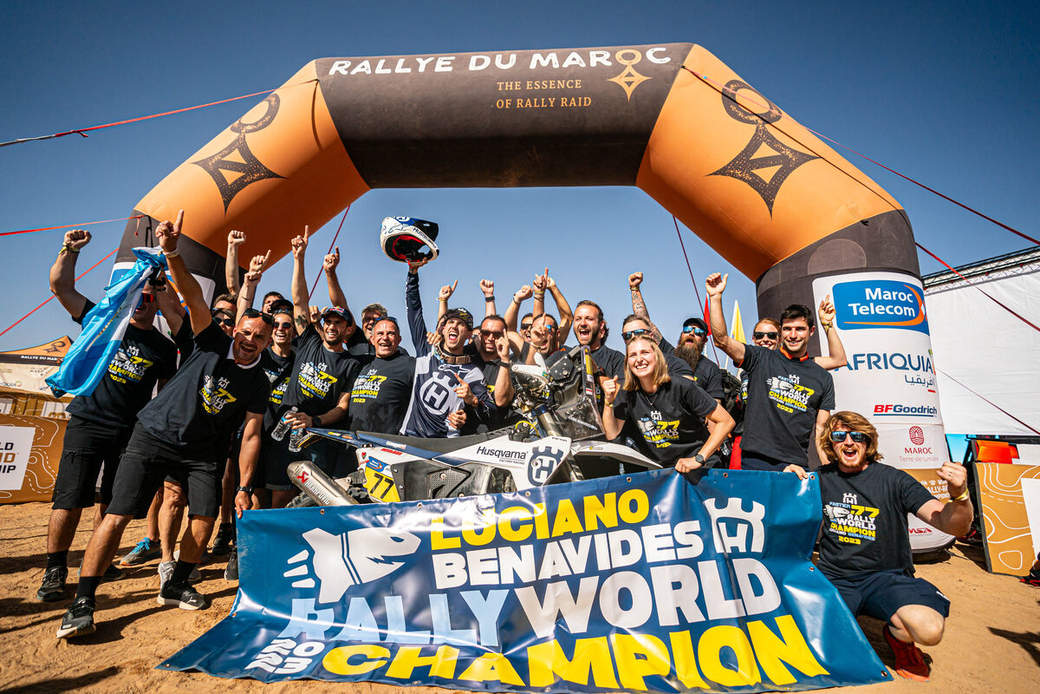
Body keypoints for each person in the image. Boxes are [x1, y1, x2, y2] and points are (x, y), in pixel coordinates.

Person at [56, 210, 272, 639]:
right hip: (153, 434)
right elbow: (190, 294)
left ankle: (176, 583)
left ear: (267, 343)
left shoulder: (259, 382)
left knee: (204, 519)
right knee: (116, 516)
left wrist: (244, 486)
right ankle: (83, 602)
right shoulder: (210, 338)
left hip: (202, 452)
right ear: (236, 331)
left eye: (258, 337)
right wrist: (172, 253)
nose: (249, 341)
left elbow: (250, 434)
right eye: (245, 333)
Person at [36, 229, 179, 602]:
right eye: (137, 295)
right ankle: (55, 569)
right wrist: (69, 251)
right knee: (69, 500)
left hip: (128, 432)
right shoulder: (102, 321)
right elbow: (60, 287)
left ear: (156, 302)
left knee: (112, 504)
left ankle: (100, 560)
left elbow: (164, 394)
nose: (142, 302)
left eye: (149, 297)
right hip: (87, 421)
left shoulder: (165, 348)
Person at [785, 412, 973, 682]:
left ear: (868, 441)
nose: (849, 442)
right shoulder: (819, 479)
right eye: (839, 436)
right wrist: (787, 482)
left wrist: (960, 495)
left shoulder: (895, 480)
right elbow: (783, 512)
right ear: (831, 443)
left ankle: (899, 638)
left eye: (857, 436)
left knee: (928, 629)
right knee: (798, 635)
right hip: (836, 577)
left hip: (886, 578)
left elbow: (951, 524)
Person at [262, 229, 360, 507]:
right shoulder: (309, 341)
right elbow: (299, 302)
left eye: (338, 323)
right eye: (328, 322)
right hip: (284, 429)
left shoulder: (351, 363)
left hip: (317, 438)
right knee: (278, 495)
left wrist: (314, 421)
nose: (332, 326)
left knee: (312, 499)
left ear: (347, 329)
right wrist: (299, 258)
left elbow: (342, 407)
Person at [707, 272, 834, 471]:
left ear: (811, 331)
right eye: (788, 329)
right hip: (755, 460)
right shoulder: (761, 358)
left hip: (796, 464)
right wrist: (715, 298)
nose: (793, 335)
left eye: (800, 329)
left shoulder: (822, 377)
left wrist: (830, 472)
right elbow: (722, 340)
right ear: (781, 332)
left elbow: (821, 429)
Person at [601, 336, 734, 475]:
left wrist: (699, 458)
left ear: (657, 357)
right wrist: (608, 401)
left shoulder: (682, 386)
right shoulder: (627, 392)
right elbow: (612, 433)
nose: (639, 359)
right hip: (664, 473)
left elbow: (726, 421)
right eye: (633, 355)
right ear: (627, 362)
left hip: (699, 468)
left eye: (645, 352)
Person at [399, 258, 501, 437]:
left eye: (461, 324)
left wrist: (472, 400)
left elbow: (493, 410)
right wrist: (413, 273)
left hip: (445, 445)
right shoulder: (427, 350)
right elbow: (414, 311)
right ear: (443, 329)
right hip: (410, 436)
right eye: (451, 322)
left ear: (469, 335)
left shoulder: (472, 372)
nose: (454, 326)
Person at [627, 272, 723, 400]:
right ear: (681, 334)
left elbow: (716, 404)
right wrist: (635, 289)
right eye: (687, 329)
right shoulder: (668, 353)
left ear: (705, 340)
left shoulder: (711, 369)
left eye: (698, 332)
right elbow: (646, 323)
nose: (691, 333)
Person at [348, 317, 416, 434]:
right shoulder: (363, 365)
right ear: (372, 339)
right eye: (380, 333)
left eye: (391, 333)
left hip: (384, 443)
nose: (385, 338)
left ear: (399, 339)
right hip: (352, 440)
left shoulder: (410, 365)